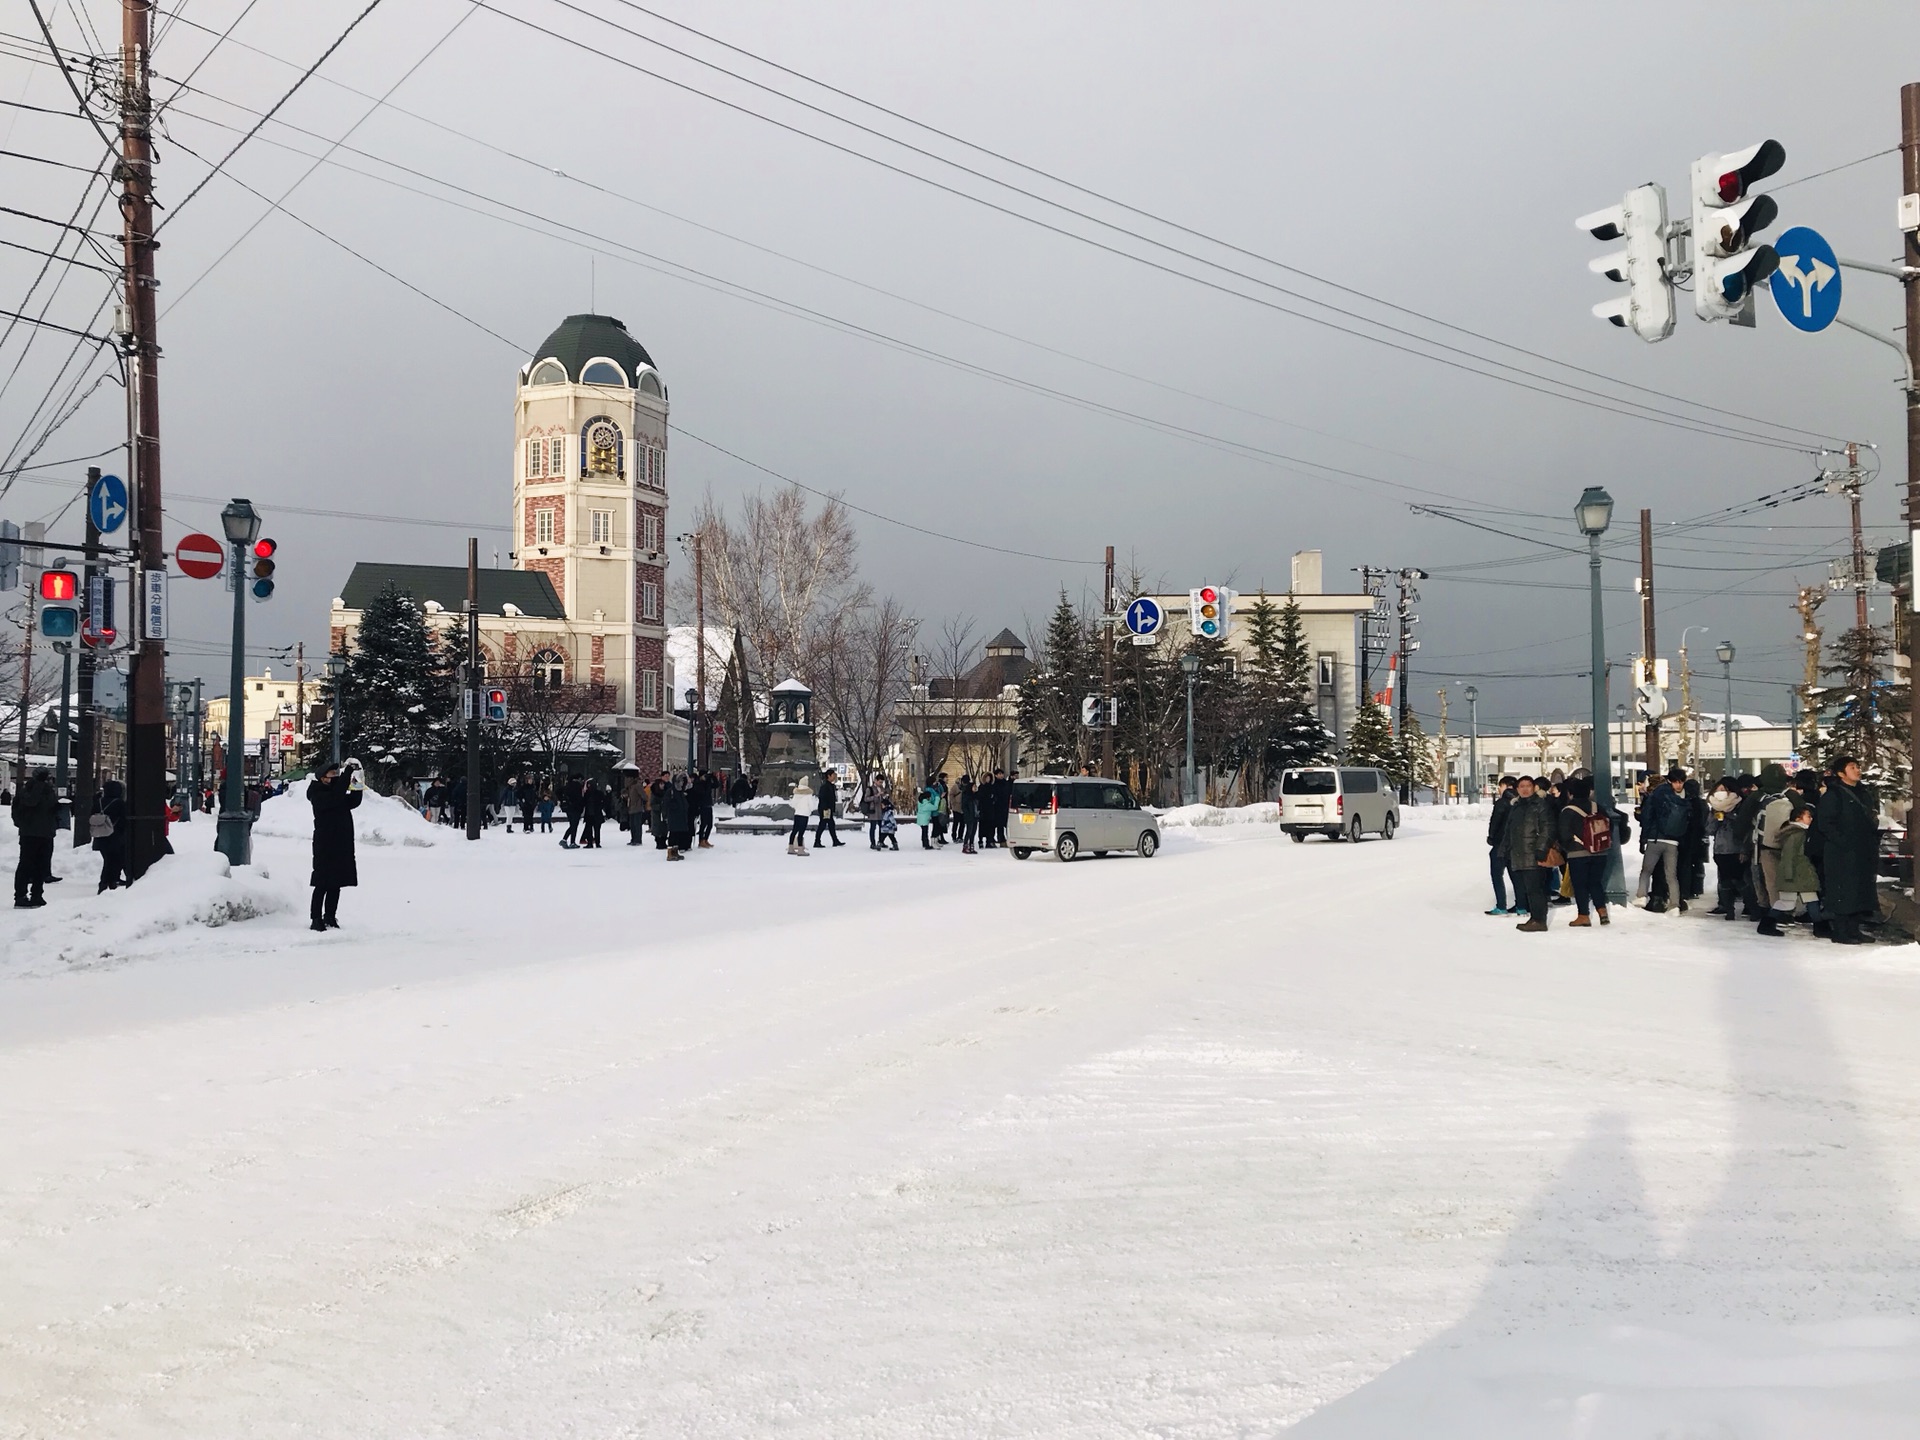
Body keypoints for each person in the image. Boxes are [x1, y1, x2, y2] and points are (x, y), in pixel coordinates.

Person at [1815, 756, 1879, 945]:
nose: (1858, 770)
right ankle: (1841, 931)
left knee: (1859, 889)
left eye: (1858, 766)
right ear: (1841, 773)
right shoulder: (1834, 795)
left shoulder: (1863, 793)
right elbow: (1825, 823)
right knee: (1843, 890)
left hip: (1862, 850)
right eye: (1852, 767)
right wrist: (1842, 842)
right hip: (1840, 852)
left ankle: (1854, 929)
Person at [307, 760, 363, 932]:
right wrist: (346, 775)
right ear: (322, 778)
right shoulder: (317, 793)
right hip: (325, 843)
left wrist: (357, 780)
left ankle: (330, 915)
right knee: (322, 882)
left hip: (342, 842)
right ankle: (316, 918)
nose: (335, 779)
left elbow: (353, 800)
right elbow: (336, 797)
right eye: (332, 776)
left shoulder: (336, 792)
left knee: (336, 882)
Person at [1760, 802, 1823, 938]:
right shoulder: (1797, 834)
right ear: (1798, 818)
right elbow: (1788, 856)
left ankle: (1820, 927)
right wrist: (1788, 875)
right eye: (1808, 816)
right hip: (1797, 874)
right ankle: (1766, 924)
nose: (1810, 819)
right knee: (1788, 902)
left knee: (1810, 899)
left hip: (1801, 873)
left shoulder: (1796, 833)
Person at [1555, 777, 1612, 927]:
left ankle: (1583, 915)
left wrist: (1568, 847)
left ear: (1570, 793)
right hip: (1600, 852)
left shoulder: (1568, 810)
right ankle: (1602, 912)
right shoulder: (1597, 807)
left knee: (1580, 885)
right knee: (1595, 883)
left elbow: (1564, 833)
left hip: (1578, 853)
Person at [1503, 775, 1557, 932]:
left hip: (1534, 853)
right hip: (1519, 853)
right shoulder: (1516, 806)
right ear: (1517, 789)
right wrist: (1505, 849)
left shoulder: (1540, 805)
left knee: (1535, 889)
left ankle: (1539, 920)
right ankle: (1534, 917)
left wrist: (1541, 849)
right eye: (1522, 786)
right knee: (1528, 889)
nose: (1525, 789)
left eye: (1528, 785)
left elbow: (1548, 828)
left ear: (1534, 788)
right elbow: (1509, 830)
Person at [1636, 768, 1689, 913]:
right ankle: (1674, 905)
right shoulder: (1686, 796)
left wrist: (1643, 839)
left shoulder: (1658, 794)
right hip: (1673, 841)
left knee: (1647, 870)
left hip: (1655, 838)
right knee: (1671, 875)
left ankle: (1641, 896)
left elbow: (1647, 817)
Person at [11, 766, 59, 908]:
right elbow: (43, 805)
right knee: (38, 865)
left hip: (29, 833)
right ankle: (33, 895)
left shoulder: (25, 791)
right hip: (43, 833)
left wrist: (22, 825)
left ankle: (23, 895)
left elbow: (16, 811)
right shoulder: (42, 790)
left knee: (27, 865)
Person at [1485, 776, 1518, 915]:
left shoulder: (1502, 802)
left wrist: (1491, 837)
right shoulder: (1520, 801)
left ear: (1505, 786)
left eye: (1500, 786)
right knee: (1516, 876)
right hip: (1515, 844)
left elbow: (1495, 822)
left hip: (1500, 843)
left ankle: (1501, 905)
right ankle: (1521, 905)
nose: (1499, 789)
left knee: (1497, 874)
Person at [91, 778, 130, 893]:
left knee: (108, 860)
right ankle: (107, 883)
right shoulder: (119, 803)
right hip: (115, 836)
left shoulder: (99, 801)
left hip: (100, 835)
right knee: (114, 861)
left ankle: (107, 883)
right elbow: (123, 820)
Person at [662, 773, 693, 860]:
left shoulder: (681, 792)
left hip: (681, 816)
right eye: (681, 781)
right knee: (673, 835)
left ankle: (675, 851)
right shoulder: (671, 791)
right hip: (674, 816)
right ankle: (670, 852)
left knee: (678, 835)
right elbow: (666, 803)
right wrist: (675, 807)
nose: (683, 783)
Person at [814, 768, 844, 848]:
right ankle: (817, 841)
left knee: (831, 825)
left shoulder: (831, 786)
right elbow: (822, 798)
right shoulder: (825, 786)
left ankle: (835, 841)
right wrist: (826, 808)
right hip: (825, 809)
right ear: (829, 776)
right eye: (833, 775)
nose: (834, 777)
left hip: (828, 809)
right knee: (823, 825)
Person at [623, 768, 651, 846]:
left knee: (637, 824)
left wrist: (641, 802)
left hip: (637, 808)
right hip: (631, 807)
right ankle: (633, 839)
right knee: (632, 825)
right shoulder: (630, 786)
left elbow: (644, 796)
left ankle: (637, 839)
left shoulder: (637, 785)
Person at [559, 772, 586, 849]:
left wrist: (562, 800)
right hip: (575, 808)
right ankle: (571, 842)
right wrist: (582, 805)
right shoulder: (577, 787)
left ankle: (565, 840)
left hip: (568, 808)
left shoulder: (567, 785)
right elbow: (579, 799)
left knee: (572, 825)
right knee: (574, 825)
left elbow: (558, 791)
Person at [694, 769, 716, 849]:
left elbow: (716, 785)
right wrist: (706, 783)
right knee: (703, 824)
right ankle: (701, 840)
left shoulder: (708, 782)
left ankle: (706, 839)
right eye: (704, 775)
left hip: (709, 805)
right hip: (702, 806)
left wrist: (713, 777)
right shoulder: (698, 784)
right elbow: (703, 793)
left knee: (710, 824)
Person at [581, 780, 606, 849]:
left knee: (592, 829)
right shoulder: (599, 793)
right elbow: (604, 802)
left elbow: (584, 802)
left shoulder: (587, 794)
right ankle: (596, 843)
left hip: (590, 814)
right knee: (596, 829)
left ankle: (591, 843)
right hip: (595, 814)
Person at [957, 774, 979, 854]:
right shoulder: (967, 795)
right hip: (969, 816)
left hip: (975, 815)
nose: (975, 788)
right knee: (969, 831)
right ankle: (965, 846)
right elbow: (964, 806)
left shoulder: (976, 796)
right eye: (974, 787)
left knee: (973, 832)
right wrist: (967, 815)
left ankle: (971, 845)